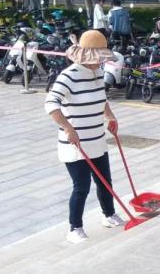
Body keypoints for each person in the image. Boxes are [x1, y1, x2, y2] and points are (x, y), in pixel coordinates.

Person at [44, 29, 125, 244]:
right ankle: (75, 228)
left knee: (105, 181)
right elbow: (50, 104)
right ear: (87, 56)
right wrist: (68, 128)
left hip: (97, 138)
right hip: (76, 143)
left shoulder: (97, 72)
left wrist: (110, 116)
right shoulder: (68, 76)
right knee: (82, 187)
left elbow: (102, 99)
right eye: (98, 58)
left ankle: (109, 215)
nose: (101, 62)